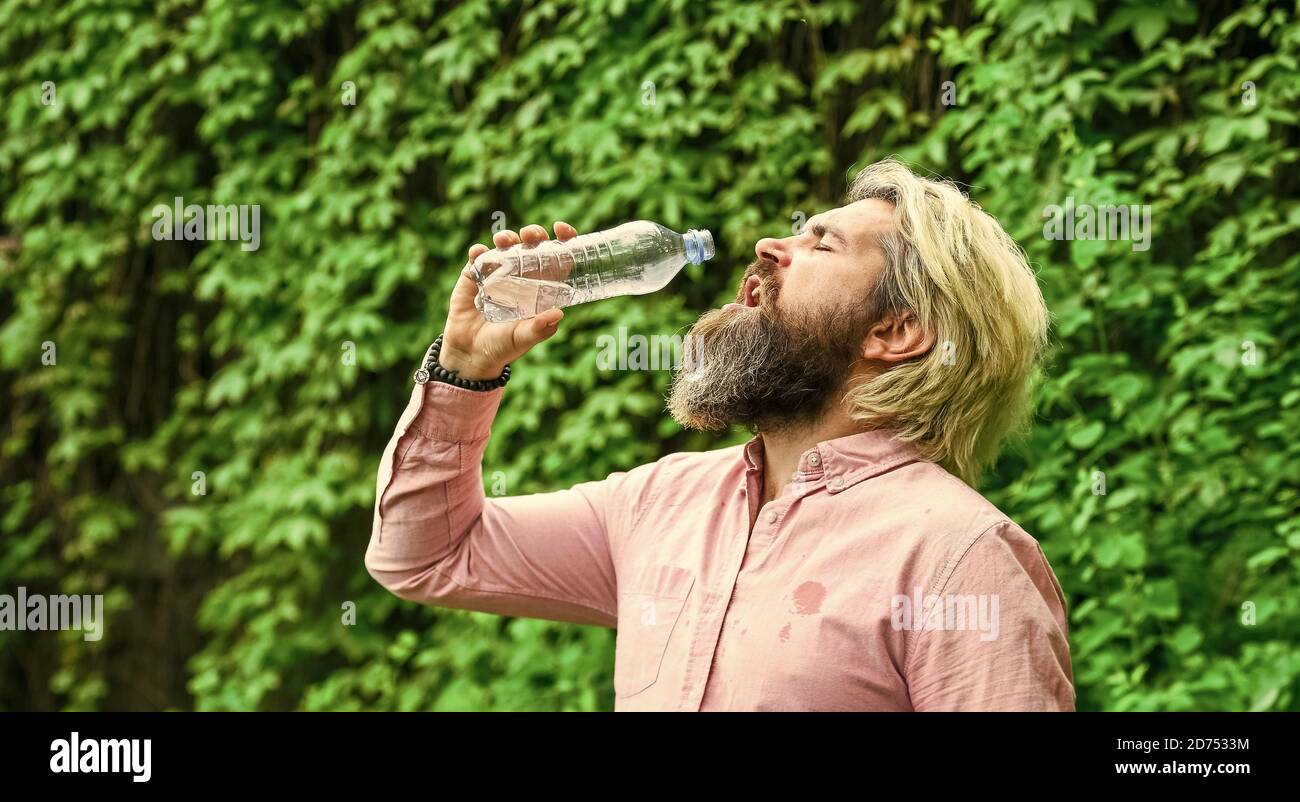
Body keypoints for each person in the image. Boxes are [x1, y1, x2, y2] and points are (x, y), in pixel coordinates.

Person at [364, 158, 1075, 711]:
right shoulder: (660, 501)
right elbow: (428, 556)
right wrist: (463, 372)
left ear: (894, 331)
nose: (770, 244)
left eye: (819, 244)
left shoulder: (963, 559)